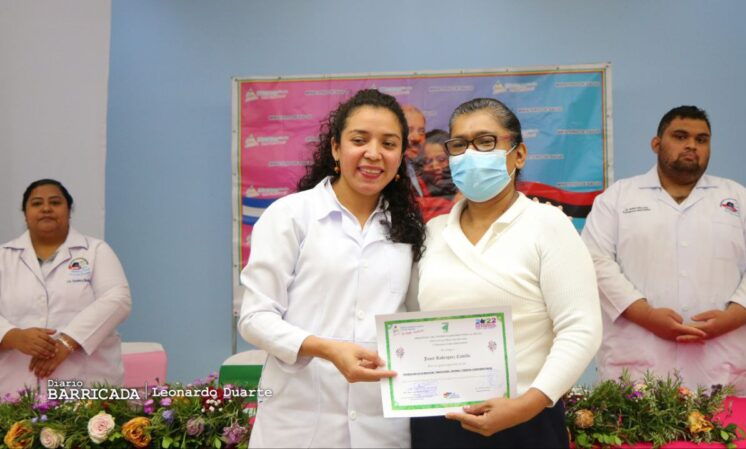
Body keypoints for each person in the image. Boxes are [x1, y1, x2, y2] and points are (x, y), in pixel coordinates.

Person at [238, 89, 426, 448]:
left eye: (389, 144)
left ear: (401, 156)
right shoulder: (291, 215)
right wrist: (327, 349)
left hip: (382, 428)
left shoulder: (408, 229)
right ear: (336, 148)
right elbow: (255, 317)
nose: (374, 153)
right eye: (360, 140)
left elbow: (418, 319)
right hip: (299, 425)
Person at [410, 98, 602, 448]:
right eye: (459, 145)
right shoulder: (434, 232)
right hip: (439, 422)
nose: (471, 154)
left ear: (519, 154)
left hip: (526, 421)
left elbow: (581, 328)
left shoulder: (548, 225)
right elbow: (412, 323)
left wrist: (527, 405)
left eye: (486, 142)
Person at [581, 105, 746, 395]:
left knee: (725, 424)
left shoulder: (740, 199)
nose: (692, 145)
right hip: (639, 361)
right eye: (680, 136)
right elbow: (594, 262)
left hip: (721, 362)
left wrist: (730, 319)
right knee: (636, 421)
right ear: (656, 144)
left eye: (701, 139)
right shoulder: (617, 198)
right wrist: (647, 315)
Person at [0, 179, 131, 396]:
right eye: (36, 203)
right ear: (25, 214)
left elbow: (118, 300)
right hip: (14, 387)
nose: (46, 208)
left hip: (85, 385)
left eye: (55, 202)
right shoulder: (3, 257)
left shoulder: (95, 251)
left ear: (69, 210)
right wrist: (12, 336)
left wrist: (67, 341)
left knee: (83, 416)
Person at [401, 103, 427, 196]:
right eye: (409, 130)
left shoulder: (422, 169)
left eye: (421, 131)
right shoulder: (387, 172)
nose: (417, 137)